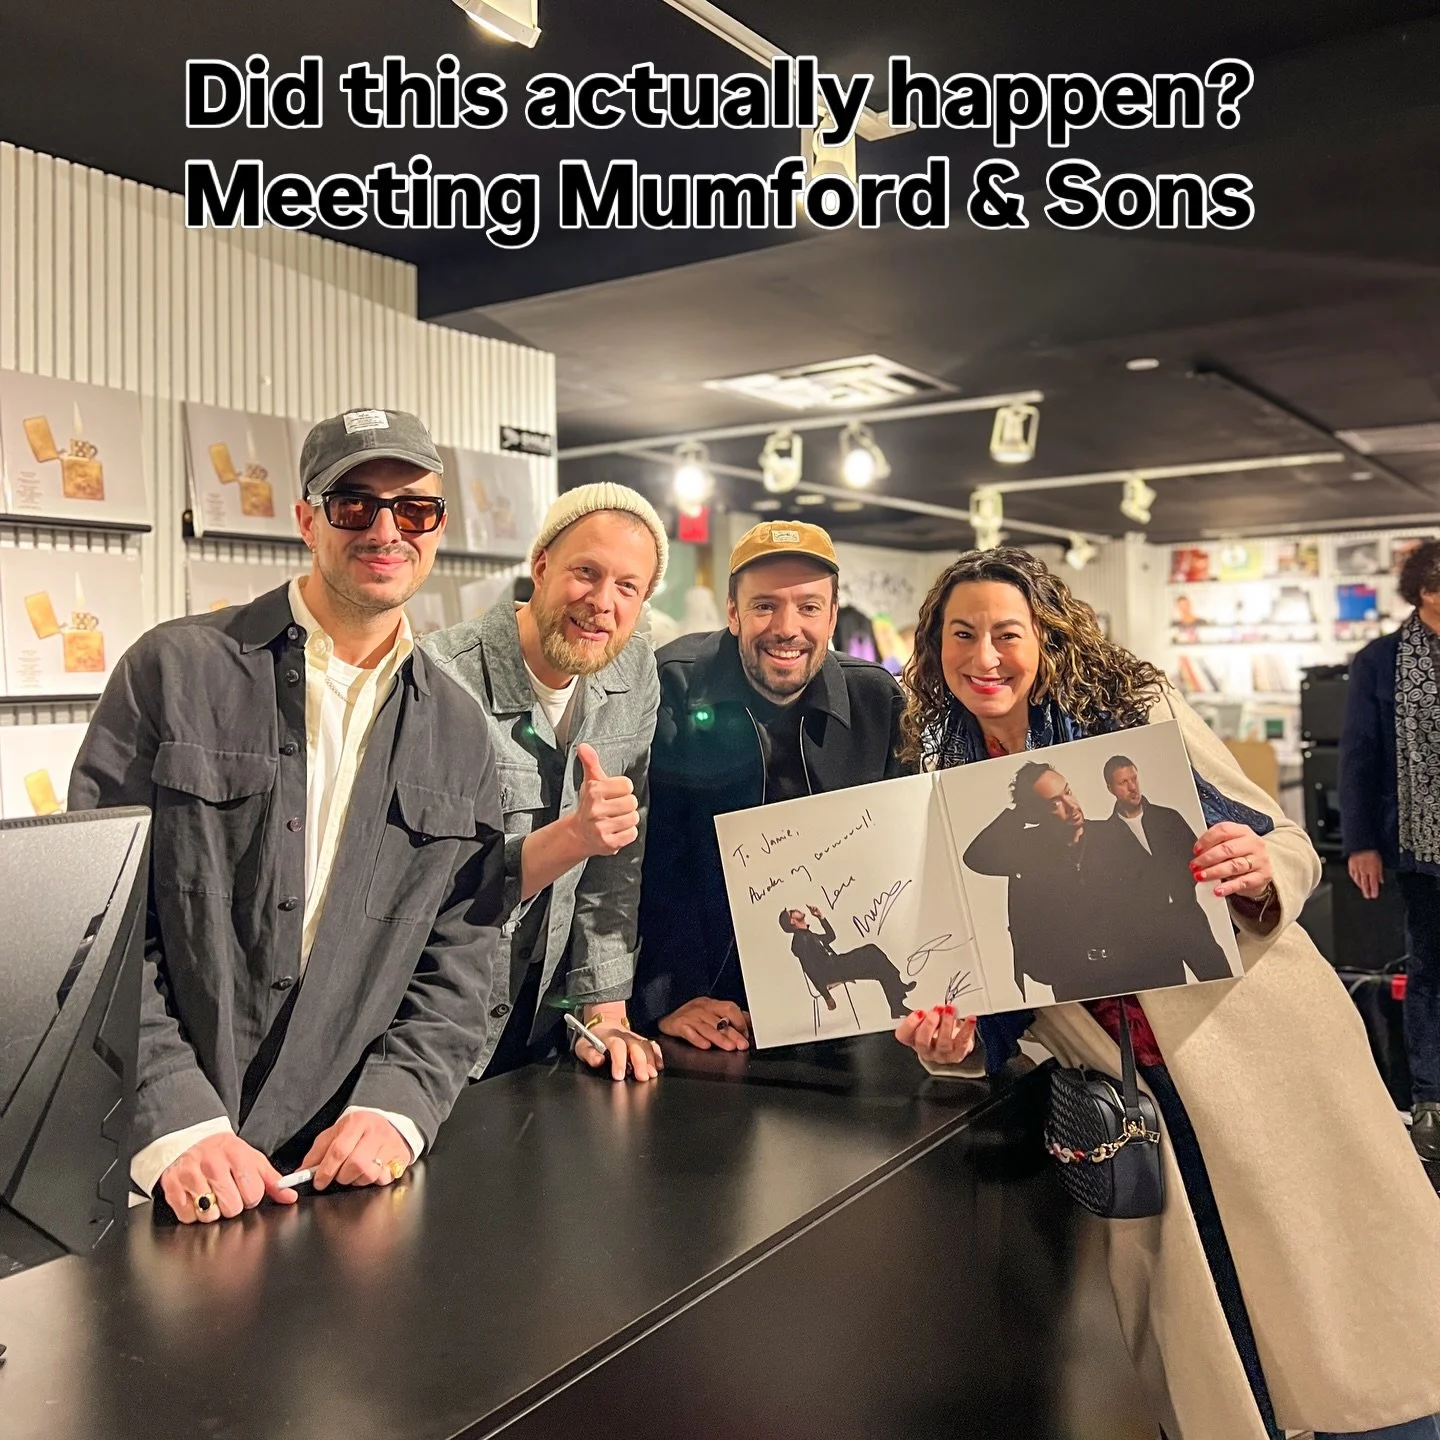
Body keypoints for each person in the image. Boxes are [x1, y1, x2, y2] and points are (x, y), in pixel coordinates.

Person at [893, 547, 1440, 1440]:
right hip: (1130, 1092)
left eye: (1006, 633)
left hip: (1252, 1046)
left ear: (1048, 637)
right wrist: (950, 1038)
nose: (983, 656)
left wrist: (1259, 867)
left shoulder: (1130, 718)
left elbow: (1278, 837)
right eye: (962, 635)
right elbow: (978, 970)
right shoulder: (942, 775)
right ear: (934, 648)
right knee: (1215, 1332)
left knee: (1343, 1308)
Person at [69, 409, 507, 1225]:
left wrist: (398, 1108)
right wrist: (176, 1115)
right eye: (354, 503)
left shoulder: (458, 729)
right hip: (152, 1168)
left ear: (438, 527)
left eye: (414, 509)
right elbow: (98, 923)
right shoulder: (171, 671)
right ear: (307, 518)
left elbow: (461, 956)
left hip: (337, 1180)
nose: (387, 529)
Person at [631, 520, 909, 1049]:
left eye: (808, 606)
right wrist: (666, 996)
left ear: (831, 616)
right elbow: (646, 863)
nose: (787, 627)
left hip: (847, 1023)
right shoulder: (669, 684)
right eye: (764, 606)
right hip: (707, 1010)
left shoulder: (877, 702)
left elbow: (898, 865)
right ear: (733, 613)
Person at [422, 483, 665, 1082]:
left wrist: (604, 1008)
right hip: (434, 1031)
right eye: (586, 572)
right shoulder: (441, 680)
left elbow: (616, 864)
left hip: (545, 1033)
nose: (602, 602)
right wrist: (573, 837)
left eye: (628, 587)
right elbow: (423, 894)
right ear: (540, 566)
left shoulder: (633, 672)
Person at [1340, 537, 1440, 1162]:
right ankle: (1431, 1099)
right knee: (1430, 968)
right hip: (1419, 845)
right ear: (1427, 593)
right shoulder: (1381, 661)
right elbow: (1359, 758)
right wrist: (1361, 844)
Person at [962, 760, 1126, 1002]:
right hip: (1073, 983)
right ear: (1036, 813)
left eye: (1067, 792)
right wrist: (1019, 813)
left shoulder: (1113, 834)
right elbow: (976, 856)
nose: (1071, 807)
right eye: (1054, 804)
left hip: (1131, 971)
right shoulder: (1029, 849)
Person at [1093, 753, 1233, 987]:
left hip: (1189, 919)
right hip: (1148, 937)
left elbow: (1196, 859)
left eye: (1134, 779)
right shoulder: (1105, 836)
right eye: (1123, 782)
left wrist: (1179, 892)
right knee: (1174, 1007)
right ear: (1110, 788)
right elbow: (1109, 888)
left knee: (1223, 986)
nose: (1132, 787)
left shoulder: (1169, 817)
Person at [779, 904, 915, 1019]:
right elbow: (810, 970)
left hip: (838, 964)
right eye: (792, 912)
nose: (795, 909)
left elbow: (831, 936)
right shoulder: (799, 942)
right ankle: (898, 990)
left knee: (879, 967)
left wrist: (820, 917)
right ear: (792, 922)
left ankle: (897, 1007)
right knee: (872, 951)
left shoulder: (808, 935)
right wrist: (827, 997)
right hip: (833, 971)